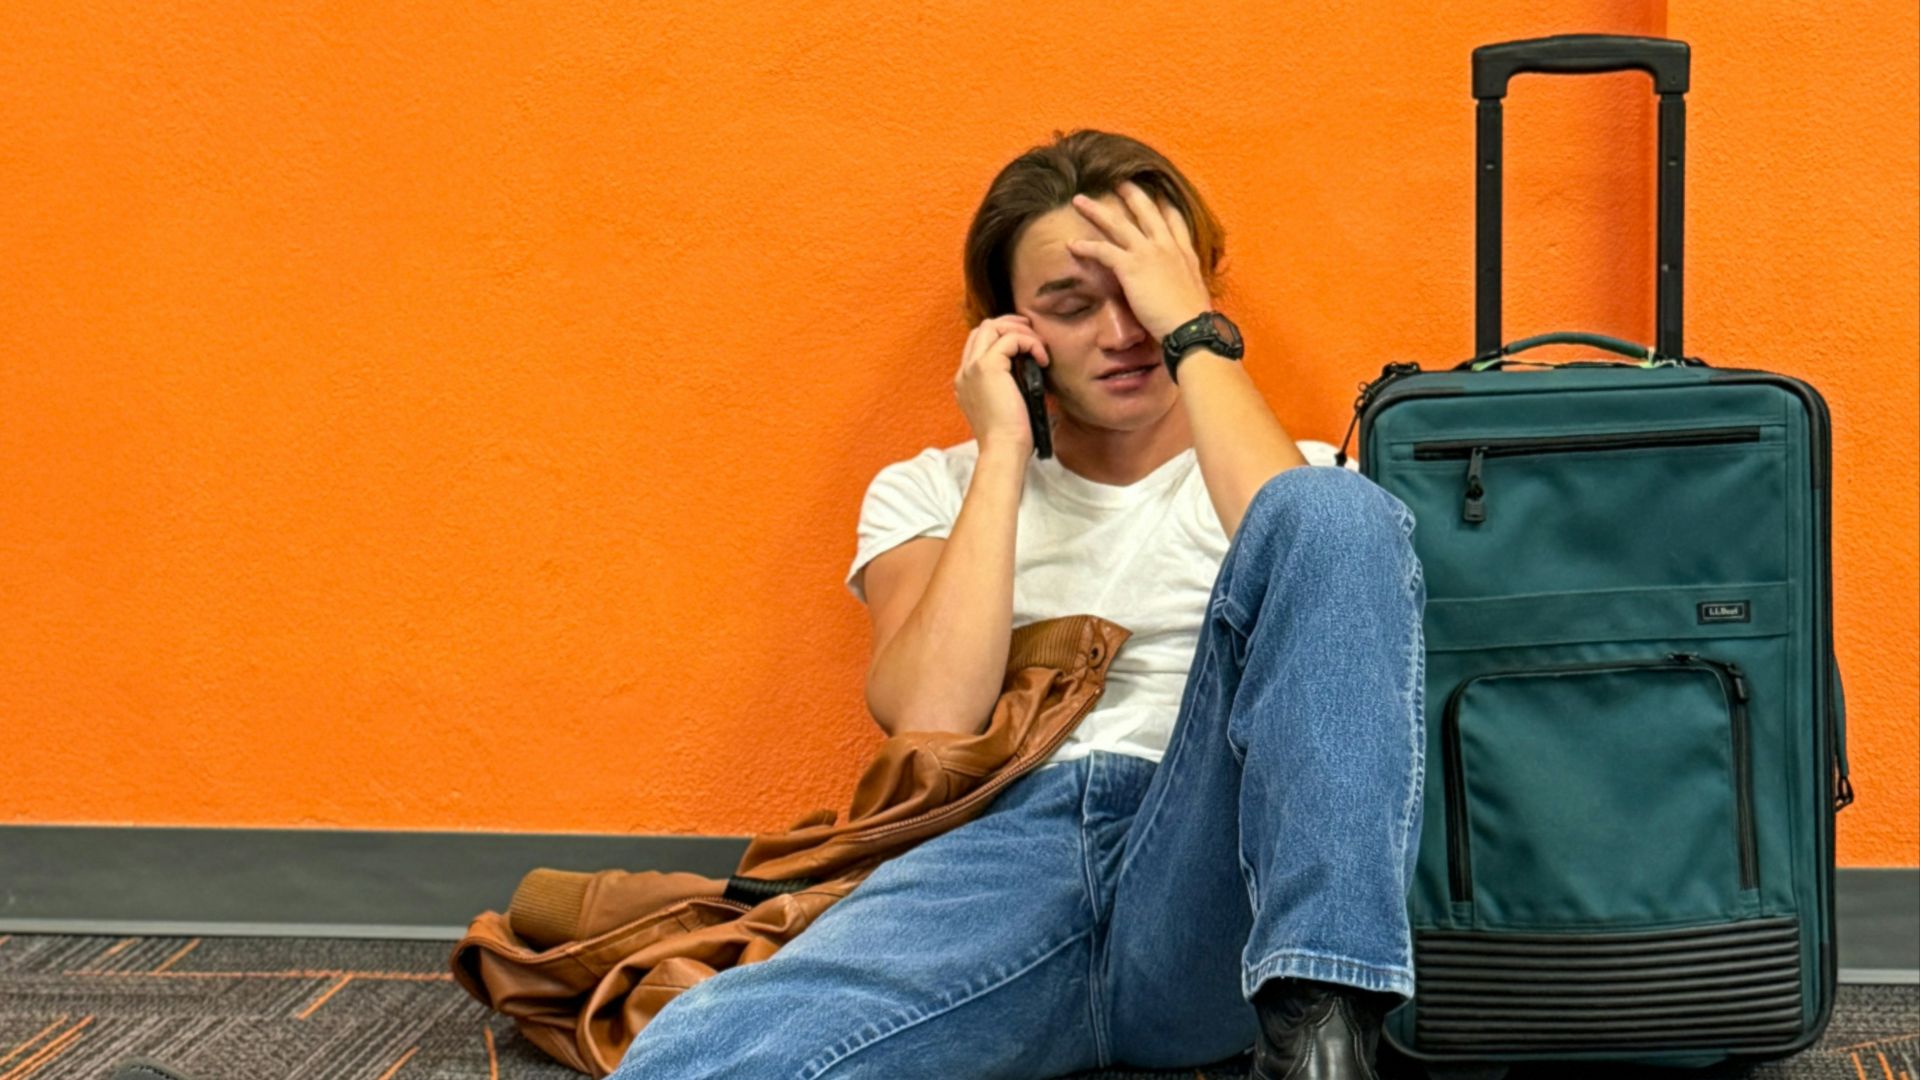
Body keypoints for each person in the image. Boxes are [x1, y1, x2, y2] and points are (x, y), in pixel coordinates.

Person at [609, 129, 1426, 1080]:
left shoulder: (1302, 487)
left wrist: (1193, 335)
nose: (1121, 334)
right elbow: (931, 718)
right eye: (1072, 306)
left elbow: (1308, 564)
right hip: (1007, 860)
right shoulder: (931, 491)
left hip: (1217, 877)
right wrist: (1002, 449)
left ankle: (1322, 1034)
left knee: (1332, 512)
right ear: (1011, 330)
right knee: (704, 1051)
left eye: (1144, 295)